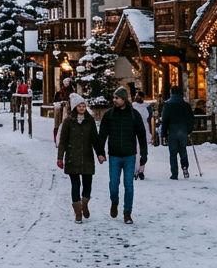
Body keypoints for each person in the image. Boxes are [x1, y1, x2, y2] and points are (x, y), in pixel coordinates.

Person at [98, 87, 149, 223]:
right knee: (114, 184)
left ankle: (127, 212)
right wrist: (100, 152)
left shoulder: (134, 115)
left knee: (129, 185)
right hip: (114, 155)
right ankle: (114, 201)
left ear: (124, 99)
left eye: (117, 98)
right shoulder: (109, 115)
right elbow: (102, 134)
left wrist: (144, 155)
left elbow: (142, 136)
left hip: (129, 155)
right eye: (114, 98)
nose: (114, 100)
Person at [56, 94, 103, 223]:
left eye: (83, 106)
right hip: (72, 157)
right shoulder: (68, 122)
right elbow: (63, 141)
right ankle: (78, 212)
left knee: (88, 184)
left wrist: (100, 153)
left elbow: (95, 139)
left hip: (87, 156)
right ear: (75, 107)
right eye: (79, 106)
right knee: (75, 185)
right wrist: (60, 157)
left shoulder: (90, 121)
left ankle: (85, 203)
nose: (82, 108)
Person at [161, 85, 195, 179]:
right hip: (183, 130)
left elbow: (165, 120)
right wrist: (189, 130)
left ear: (171, 92)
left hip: (172, 131)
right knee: (183, 150)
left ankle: (174, 173)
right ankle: (184, 167)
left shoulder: (167, 105)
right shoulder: (186, 105)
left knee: (173, 153)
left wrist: (163, 134)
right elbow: (191, 119)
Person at [130, 90, 152, 177]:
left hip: (144, 131)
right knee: (136, 152)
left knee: (143, 153)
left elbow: (149, 119)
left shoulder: (147, 107)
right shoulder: (133, 106)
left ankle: (141, 169)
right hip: (135, 131)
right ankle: (136, 170)